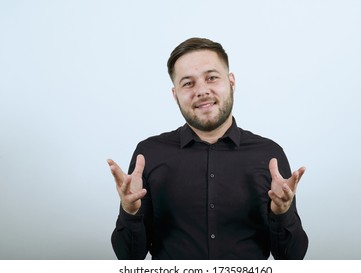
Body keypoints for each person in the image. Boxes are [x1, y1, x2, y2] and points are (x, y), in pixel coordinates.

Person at [107, 37, 308, 260]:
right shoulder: (150, 154)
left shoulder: (269, 155)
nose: (202, 91)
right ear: (175, 95)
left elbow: (292, 258)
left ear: (231, 82)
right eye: (188, 83)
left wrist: (282, 213)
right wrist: (130, 211)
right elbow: (129, 259)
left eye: (211, 78)